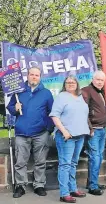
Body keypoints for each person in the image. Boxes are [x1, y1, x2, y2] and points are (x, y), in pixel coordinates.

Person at [8, 67, 54, 198]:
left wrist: (48, 129)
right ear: (27, 75)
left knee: (40, 161)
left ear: (40, 77)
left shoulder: (46, 93)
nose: (34, 77)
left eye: (37, 75)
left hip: (41, 133)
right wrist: (14, 108)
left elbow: (52, 112)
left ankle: (39, 185)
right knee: (20, 161)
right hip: (22, 132)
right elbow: (11, 108)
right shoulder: (18, 92)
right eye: (32, 74)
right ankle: (20, 186)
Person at [50, 75, 89, 203]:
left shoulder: (80, 97)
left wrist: (89, 129)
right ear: (64, 85)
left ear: (77, 84)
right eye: (68, 82)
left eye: (73, 82)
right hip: (67, 137)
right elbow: (54, 116)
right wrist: (65, 131)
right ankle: (64, 193)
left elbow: (82, 115)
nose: (70, 84)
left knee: (73, 163)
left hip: (80, 135)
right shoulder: (61, 97)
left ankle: (73, 189)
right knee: (65, 164)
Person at [82, 71, 106, 195]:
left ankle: (93, 181)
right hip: (94, 130)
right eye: (97, 79)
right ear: (92, 79)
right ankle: (93, 186)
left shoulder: (101, 91)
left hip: (102, 128)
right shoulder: (86, 90)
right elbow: (83, 111)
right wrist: (90, 128)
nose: (99, 82)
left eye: (102, 80)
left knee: (99, 157)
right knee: (95, 157)